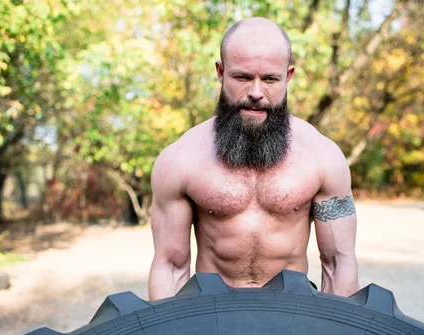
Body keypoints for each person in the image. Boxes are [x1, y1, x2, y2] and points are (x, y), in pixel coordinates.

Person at [148, 17, 359, 301]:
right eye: (243, 77)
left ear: (288, 76)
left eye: (270, 79)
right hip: (211, 314)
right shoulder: (180, 160)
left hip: (292, 312)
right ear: (221, 72)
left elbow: (337, 264)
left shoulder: (322, 157)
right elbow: (171, 267)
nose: (256, 93)